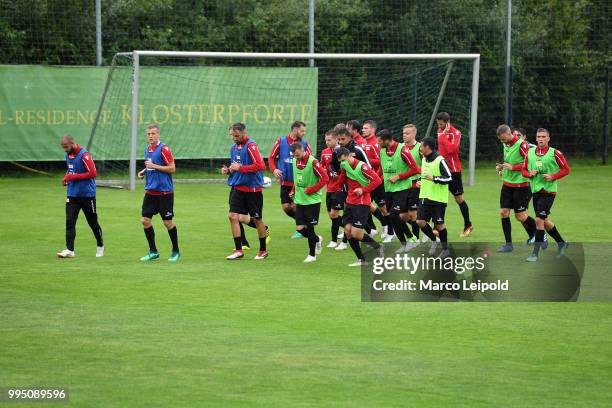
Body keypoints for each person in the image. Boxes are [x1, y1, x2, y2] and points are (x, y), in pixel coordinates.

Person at [521, 128, 570, 261]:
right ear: (536, 138)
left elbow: (566, 169)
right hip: (535, 191)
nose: (541, 139)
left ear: (548, 138)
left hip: (549, 191)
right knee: (544, 220)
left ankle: (535, 254)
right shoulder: (530, 153)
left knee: (538, 220)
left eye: (543, 136)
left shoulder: (555, 153)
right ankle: (562, 243)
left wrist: (553, 176)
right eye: (538, 137)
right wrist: (529, 174)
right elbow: (523, 171)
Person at [223, 123, 269, 260]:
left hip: (253, 189)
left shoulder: (251, 145)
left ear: (244, 132)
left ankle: (262, 250)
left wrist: (240, 168)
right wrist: (229, 171)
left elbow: (261, 166)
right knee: (232, 216)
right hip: (238, 188)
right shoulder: (233, 148)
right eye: (232, 135)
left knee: (257, 219)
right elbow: (235, 167)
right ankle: (239, 250)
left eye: (236, 135)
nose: (234, 137)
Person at [56, 134, 104, 258]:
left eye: (66, 147)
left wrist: (73, 177)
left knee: (92, 222)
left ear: (73, 143)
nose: (65, 149)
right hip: (72, 195)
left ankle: (100, 245)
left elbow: (93, 173)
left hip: (87, 195)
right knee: (70, 222)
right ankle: (70, 250)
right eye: (63, 147)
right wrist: (66, 178)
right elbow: (71, 170)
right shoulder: (68, 155)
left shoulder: (84, 155)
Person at [138, 124, 180, 262]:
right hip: (150, 192)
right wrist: (144, 171)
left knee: (167, 223)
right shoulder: (147, 149)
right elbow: (151, 165)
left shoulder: (164, 149)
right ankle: (153, 251)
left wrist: (153, 166)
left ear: (158, 134)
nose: (150, 136)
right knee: (145, 220)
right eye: (148, 134)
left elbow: (172, 168)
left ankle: (175, 251)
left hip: (164, 193)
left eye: (153, 133)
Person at [335, 147, 384, 267]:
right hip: (349, 202)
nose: (342, 163)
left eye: (343, 160)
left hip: (362, 203)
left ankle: (378, 247)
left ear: (349, 155)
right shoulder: (345, 167)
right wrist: (342, 171)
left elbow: (377, 181)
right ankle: (361, 260)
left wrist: (363, 190)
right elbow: (340, 184)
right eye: (340, 161)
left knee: (356, 234)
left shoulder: (362, 167)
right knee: (348, 232)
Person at [495, 124, 537, 253]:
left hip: (521, 186)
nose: (502, 142)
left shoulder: (522, 145)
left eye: (504, 139)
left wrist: (513, 168)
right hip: (507, 184)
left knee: (520, 216)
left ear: (509, 134)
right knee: (503, 212)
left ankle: (539, 234)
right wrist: (502, 168)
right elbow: (509, 161)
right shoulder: (505, 144)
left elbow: (530, 163)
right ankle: (508, 245)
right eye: (501, 140)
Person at [378, 129, 421, 253]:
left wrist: (398, 177)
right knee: (392, 218)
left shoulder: (402, 150)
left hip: (402, 189)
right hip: (388, 189)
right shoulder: (382, 150)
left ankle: (410, 239)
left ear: (387, 140)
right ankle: (406, 243)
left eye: (380, 141)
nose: (378, 143)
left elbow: (415, 169)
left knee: (394, 215)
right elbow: (382, 169)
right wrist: (375, 180)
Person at [268, 121, 310, 238]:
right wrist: (275, 170)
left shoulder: (304, 144)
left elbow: (310, 159)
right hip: (285, 181)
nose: (303, 133)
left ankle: (300, 227)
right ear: (295, 130)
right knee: (286, 207)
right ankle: (304, 222)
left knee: (295, 206)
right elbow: (271, 158)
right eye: (302, 131)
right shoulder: (281, 141)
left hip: (299, 182)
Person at [436, 112, 473, 237]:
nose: (440, 126)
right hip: (441, 169)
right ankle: (437, 226)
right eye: (438, 124)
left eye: (441, 124)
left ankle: (468, 224)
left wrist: (444, 136)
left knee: (458, 199)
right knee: (439, 198)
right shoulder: (440, 131)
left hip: (453, 171)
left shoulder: (456, 133)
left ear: (447, 123)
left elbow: (452, 150)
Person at [290, 142, 328, 262]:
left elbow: (325, 178)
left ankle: (312, 255)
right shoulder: (295, 161)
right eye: (294, 155)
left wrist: (312, 189)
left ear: (303, 150)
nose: (296, 157)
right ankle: (317, 239)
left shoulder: (313, 162)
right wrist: (293, 190)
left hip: (312, 201)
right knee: (300, 229)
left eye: (297, 154)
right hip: (300, 200)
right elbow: (296, 179)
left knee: (310, 228)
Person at [416, 137, 452, 258]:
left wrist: (435, 178)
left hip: (438, 200)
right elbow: (425, 175)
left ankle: (445, 249)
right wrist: (419, 182)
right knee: (420, 221)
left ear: (427, 147)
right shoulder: (424, 159)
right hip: (424, 197)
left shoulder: (440, 160)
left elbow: (449, 178)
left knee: (440, 225)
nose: (420, 148)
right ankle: (434, 240)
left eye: (421, 146)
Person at [363, 120, 392, 241]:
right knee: (366, 205)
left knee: (384, 207)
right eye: (363, 128)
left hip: (378, 181)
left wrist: (366, 161)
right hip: (369, 181)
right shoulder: (365, 143)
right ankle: (373, 229)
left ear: (373, 130)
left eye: (366, 128)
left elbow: (381, 162)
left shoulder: (376, 144)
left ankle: (389, 229)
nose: (363, 130)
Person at [320, 129, 346, 248]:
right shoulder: (325, 152)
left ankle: (335, 240)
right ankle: (355, 225)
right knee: (331, 215)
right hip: (329, 187)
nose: (327, 142)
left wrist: (338, 174)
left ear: (336, 139)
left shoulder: (342, 151)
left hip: (340, 187)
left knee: (334, 214)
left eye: (329, 140)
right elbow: (322, 167)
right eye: (326, 140)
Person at [402, 124, 424, 243]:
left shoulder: (420, 148)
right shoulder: (400, 148)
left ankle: (415, 240)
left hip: (416, 185)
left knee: (413, 215)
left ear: (414, 134)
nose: (404, 135)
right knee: (403, 216)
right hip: (402, 186)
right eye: (403, 133)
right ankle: (426, 228)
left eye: (407, 133)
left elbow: (427, 166)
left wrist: (424, 180)